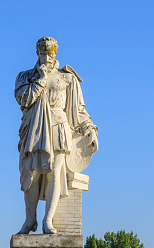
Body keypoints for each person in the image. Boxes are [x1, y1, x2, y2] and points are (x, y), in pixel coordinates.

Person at [15, 37, 98, 234]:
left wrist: (90, 128)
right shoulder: (25, 77)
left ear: (56, 54)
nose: (47, 57)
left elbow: (78, 110)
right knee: (31, 175)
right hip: (34, 127)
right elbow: (23, 100)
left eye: (51, 54)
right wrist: (41, 80)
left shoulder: (67, 78)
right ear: (37, 53)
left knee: (54, 174)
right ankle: (29, 220)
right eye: (43, 53)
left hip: (58, 127)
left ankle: (48, 220)